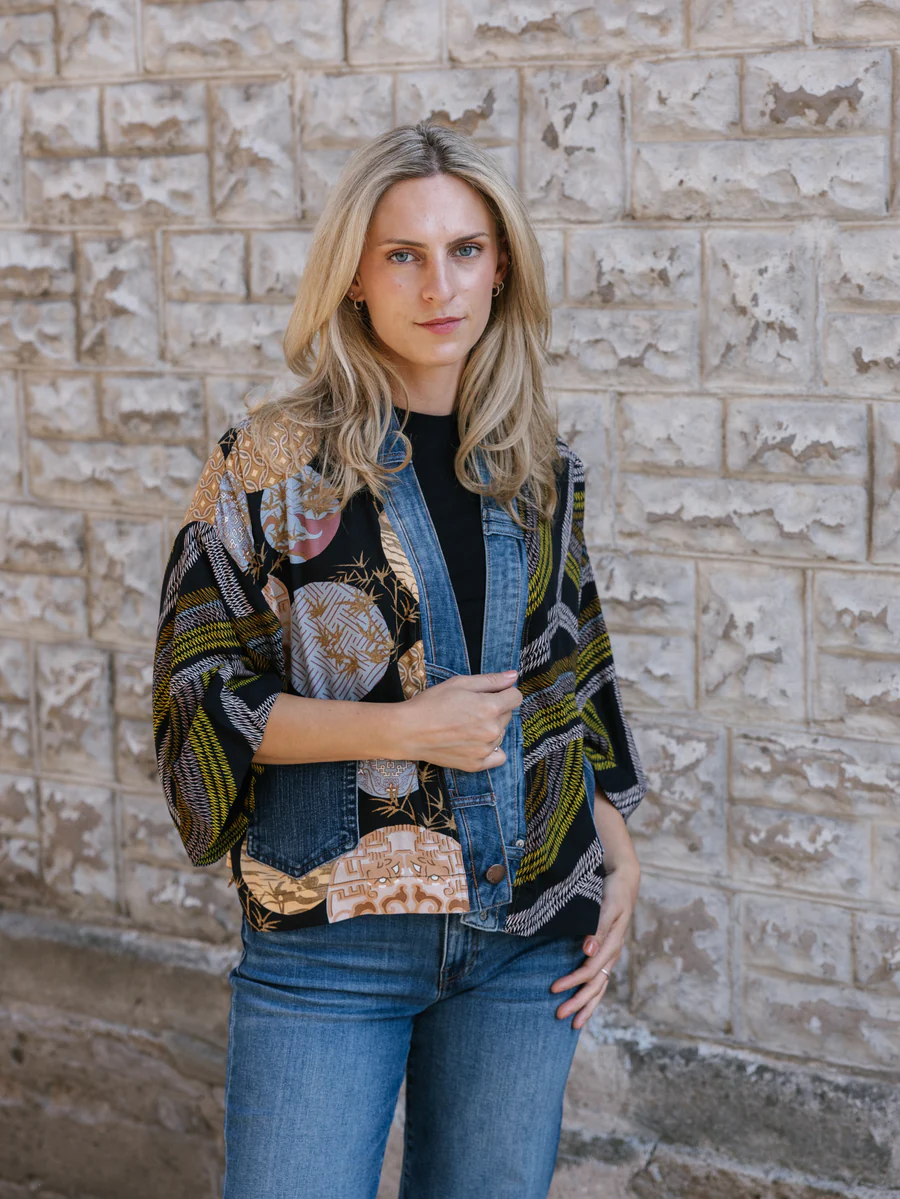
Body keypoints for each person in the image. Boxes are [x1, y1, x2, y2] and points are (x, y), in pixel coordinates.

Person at [152, 121, 647, 1199]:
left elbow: (570, 675)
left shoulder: (539, 465)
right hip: (332, 942)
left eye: (465, 250)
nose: (439, 285)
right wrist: (405, 728)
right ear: (354, 277)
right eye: (403, 255)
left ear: (501, 265)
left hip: (529, 936)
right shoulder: (268, 465)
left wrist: (619, 853)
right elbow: (199, 695)